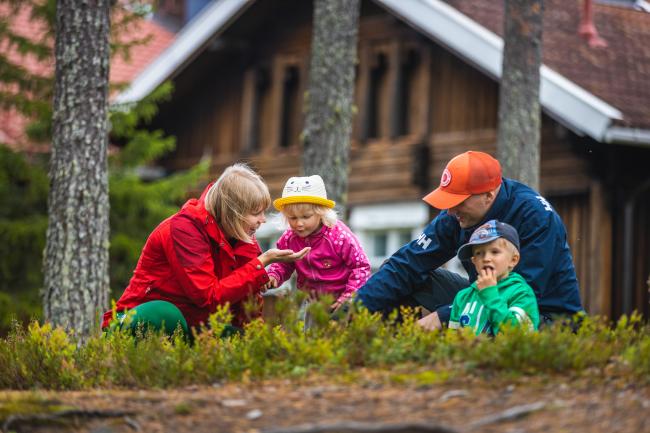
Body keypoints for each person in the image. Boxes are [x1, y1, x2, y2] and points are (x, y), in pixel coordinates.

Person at [356, 150, 583, 330]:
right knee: (401, 274)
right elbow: (407, 264)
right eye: (449, 200)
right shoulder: (456, 216)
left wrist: (445, 315)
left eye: (459, 201)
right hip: (482, 296)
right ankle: (398, 354)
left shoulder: (536, 217)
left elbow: (518, 294)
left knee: (501, 314)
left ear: (488, 195)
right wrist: (353, 310)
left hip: (540, 316)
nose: (451, 209)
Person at [101, 163, 309, 337]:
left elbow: (247, 305)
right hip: (133, 324)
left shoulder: (242, 237)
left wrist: (256, 340)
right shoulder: (185, 229)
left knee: (235, 336)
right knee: (165, 313)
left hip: (190, 329)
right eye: (256, 213)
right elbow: (208, 296)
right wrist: (261, 262)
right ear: (232, 212)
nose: (262, 220)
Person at [266, 175, 371, 311]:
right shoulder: (289, 238)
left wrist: (349, 297)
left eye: (306, 217)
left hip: (341, 302)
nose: (299, 223)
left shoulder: (339, 236)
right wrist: (274, 275)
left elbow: (360, 266)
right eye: (292, 218)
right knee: (311, 332)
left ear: (321, 212)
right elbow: (283, 262)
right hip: (311, 303)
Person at [449, 219, 539, 335]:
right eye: (479, 253)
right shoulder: (462, 297)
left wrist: (490, 295)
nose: (486, 258)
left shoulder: (521, 293)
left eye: (495, 252)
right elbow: (452, 341)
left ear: (513, 260)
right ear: (474, 261)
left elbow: (519, 337)